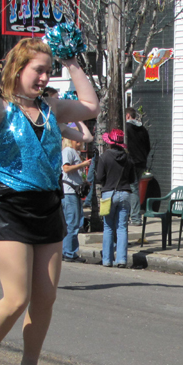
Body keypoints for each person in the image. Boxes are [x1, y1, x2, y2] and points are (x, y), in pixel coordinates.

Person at [0, 37, 100, 365]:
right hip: (10, 207)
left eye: (48, 71)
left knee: (45, 298)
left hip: (48, 207)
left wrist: (71, 62)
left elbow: (90, 107)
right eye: (38, 70)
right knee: (17, 297)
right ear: (18, 69)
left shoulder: (52, 107)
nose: (44, 77)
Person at [96, 129, 135, 267]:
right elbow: (132, 179)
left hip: (109, 194)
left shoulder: (104, 157)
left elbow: (99, 177)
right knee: (122, 227)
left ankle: (107, 259)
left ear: (110, 142)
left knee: (108, 227)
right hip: (125, 193)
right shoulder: (128, 158)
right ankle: (121, 259)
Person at [60, 137, 91, 262]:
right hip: (69, 192)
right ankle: (69, 252)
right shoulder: (68, 151)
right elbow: (66, 168)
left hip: (74, 191)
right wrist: (83, 164)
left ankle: (67, 250)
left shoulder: (74, 152)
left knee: (75, 222)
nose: (80, 143)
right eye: (77, 141)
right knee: (72, 222)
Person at [125, 107, 151, 225]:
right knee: (135, 188)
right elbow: (148, 146)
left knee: (132, 188)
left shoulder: (126, 128)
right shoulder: (143, 129)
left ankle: (135, 217)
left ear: (127, 116)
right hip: (141, 162)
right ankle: (133, 215)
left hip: (131, 162)